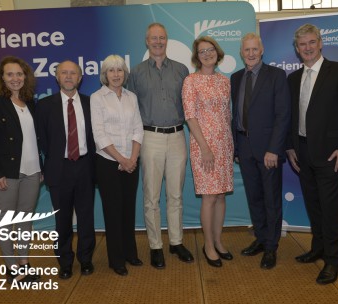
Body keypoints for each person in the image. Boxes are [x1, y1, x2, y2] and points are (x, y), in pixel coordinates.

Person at [286, 24, 338, 284]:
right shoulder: (293, 79)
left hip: (331, 154)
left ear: (320, 43)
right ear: (296, 49)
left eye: (311, 42)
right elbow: (291, 117)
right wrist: (290, 147)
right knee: (314, 205)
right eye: (301, 44)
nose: (306, 48)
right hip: (303, 152)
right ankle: (317, 248)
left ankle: (333, 260)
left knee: (330, 209)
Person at [128, 23, 194, 269]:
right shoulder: (135, 73)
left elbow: (190, 107)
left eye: (162, 38)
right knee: (151, 197)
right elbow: (131, 111)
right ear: (147, 41)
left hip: (178, 136)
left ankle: (176, 242)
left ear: (167, 40)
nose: (158, 42)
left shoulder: (181, 70)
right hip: (150, 138)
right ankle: (156, 246)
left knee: (175, 194)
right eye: (153, 38)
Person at [0, 56, 42, 282]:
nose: (15, 78)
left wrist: (41, 167)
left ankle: (24, 262)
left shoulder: (31, 103)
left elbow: (35, 139)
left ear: (25, 77)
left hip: (33, 172)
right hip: (6, 173)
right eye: (10, 74)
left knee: (25, 220)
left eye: (19, 74)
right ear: (2, 78)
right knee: (6, 221)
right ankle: (11, 265)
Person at [231, 33, 290, 269]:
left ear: (262, 50)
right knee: (254, 198)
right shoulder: (236, 78)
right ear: (241, 52)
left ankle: (271, 247)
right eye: (247, 50)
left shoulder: (276, 75)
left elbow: (283, 115)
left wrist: (274, 149)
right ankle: (261, 238)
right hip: (244, 148)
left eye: (255, 49)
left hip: (268, 151)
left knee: (271, 199)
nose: (251, 53)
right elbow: (235, 115)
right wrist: (236, 147)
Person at [35, 60, 96, 280]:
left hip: (85, 166)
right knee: (62, 220)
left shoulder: (91, 103)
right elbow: (41, 140)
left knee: (86, 217)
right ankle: (65, 262)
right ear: (57, 77)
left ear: (80, 78)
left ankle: (86, 259)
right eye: (64, 73)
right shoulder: (43, 106)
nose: (69, 77)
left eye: (73, 73)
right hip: (58, 169)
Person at [182, 36, 233, 267]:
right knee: (209, 196)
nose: (207, 54)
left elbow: (226, 115)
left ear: (217, 52)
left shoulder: (224, 81)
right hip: (203, 146)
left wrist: (228, 145)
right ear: (196, 56)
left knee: (221, 195)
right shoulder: (190, 81)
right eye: (202, 51)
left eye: (210, 50)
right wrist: (205, 148)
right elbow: (190, 117)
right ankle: (208, 245)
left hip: (224, 145)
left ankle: (219, 241)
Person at [90, 55, 144, 276]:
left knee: (128, 209)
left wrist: (132, 158)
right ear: (105, 74)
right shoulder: (97, 98)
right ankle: (116, 259)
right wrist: (121, 159)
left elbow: (138, 128)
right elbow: (99, 134)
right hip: (108, 162)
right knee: (113, 211)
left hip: (131, 161)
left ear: (124, 73)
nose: (116, 74)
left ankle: (130, 252)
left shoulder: (132, 97)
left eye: (119, 70)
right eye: (111, 70)